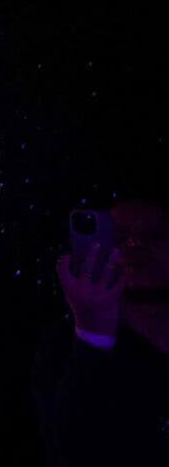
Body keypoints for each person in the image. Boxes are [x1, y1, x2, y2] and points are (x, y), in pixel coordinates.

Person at [34, 197, 169, 464]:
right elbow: (71, 447)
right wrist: (92, 334)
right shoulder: (62, 345)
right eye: (120, 235)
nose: (136, 246)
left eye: (155, 235)